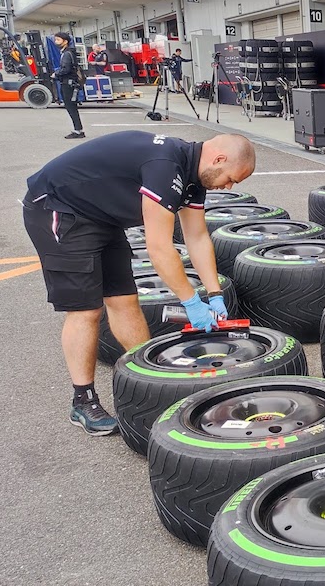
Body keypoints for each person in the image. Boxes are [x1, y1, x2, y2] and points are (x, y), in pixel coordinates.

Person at [22, 131, 257, 435]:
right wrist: (191, 302)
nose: (228, 186)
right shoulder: (165, 166)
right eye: (230, 179)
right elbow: (159, 247)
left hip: (101, 217)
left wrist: (214, 293)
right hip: (58, 208)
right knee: (86, 310)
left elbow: (197, 237)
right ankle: (82, 401)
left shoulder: (193, 177)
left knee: (123, 300)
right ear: (219, 159)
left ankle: (149, 376)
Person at [50, 32, 85, 140]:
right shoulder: (68, 52)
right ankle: (78, 129)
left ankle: (78, 130)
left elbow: (66, 69)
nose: (56, 42)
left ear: (65, 41)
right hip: (70, 82)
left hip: (68, 83)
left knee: (71, 107)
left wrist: (56, 74)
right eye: (55, 40)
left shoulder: (67, 54)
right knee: (71, 107)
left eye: (58, 40)